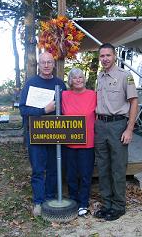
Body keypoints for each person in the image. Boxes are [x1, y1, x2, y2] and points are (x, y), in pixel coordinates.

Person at [94, 43, 138, 221]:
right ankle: (107, 204)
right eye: (102, 56)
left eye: (108, 55)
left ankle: (119, 206)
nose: (105, 59)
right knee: (103, 167)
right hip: (100, 125)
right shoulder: (100, 76)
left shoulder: (125, 76)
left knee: (118, 168)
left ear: (115, 56)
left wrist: (129, 129)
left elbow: (134, 102)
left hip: (118, 125)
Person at [19, 52, 66, 216]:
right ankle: (38, 202)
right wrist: (43, 110)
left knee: (53, 168)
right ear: (38, 65)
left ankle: (50, 197)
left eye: (49, 62)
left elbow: (67, 109)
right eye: (43, 62)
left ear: (54, 64)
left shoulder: (60, 84)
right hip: (36, 134)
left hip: (55, 134)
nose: (46, 65)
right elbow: (23, 110)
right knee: (38, 169)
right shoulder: (31, 84)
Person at [62, 68, 96, 217]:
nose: (78, 79)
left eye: (80, 76)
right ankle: (73, 200)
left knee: (85, 174)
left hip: (88, 143)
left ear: (84, 78)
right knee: (70, 175)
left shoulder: (93, 95)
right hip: (69, 142)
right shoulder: (63, 95)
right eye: (74, 77)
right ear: (70, 80)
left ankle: (83, 203)